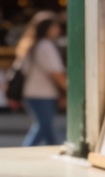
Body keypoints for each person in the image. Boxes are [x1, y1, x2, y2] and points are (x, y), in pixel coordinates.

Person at [14, 12, 67, 146]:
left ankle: (54, 148)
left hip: (32, 93)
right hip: (43, 95)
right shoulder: (45, 46)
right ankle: (26, 151)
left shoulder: (31, 45)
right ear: (48, 28)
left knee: (45, 128)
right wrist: (68, 89)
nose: (58, 30)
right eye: (55, 27)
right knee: (43, 127)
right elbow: (55, 72)